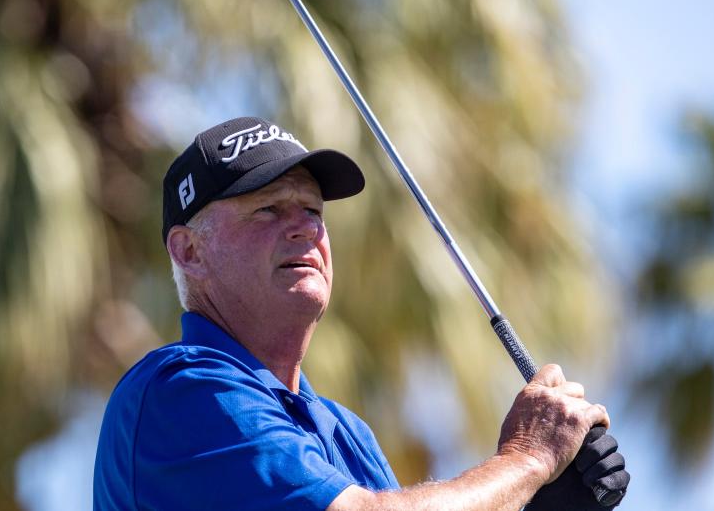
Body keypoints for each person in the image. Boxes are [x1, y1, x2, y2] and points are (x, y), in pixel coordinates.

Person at [93, 116, 629, 510]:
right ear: (189, 251)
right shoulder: (178, 389)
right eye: (268, 209)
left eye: (312, 210)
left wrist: (529, 500)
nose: (305, 228)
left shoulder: (347, 433)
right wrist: (527, 460)